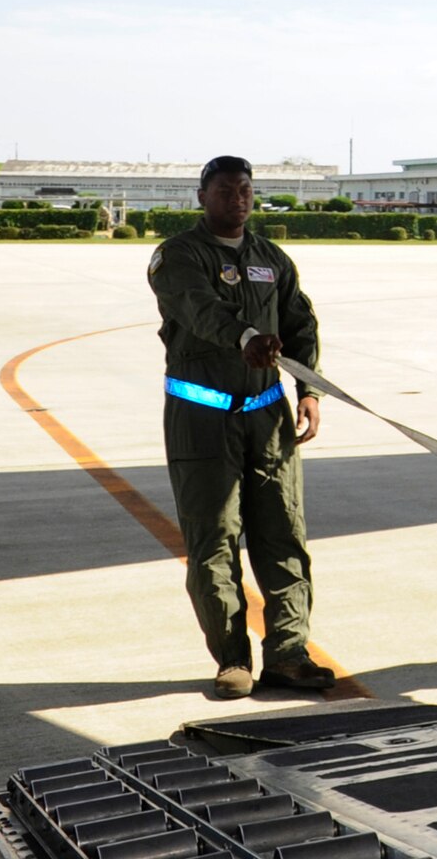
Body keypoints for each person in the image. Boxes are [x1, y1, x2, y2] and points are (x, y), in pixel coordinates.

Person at [148, 155, 334, 698]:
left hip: (267, 417)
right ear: (202, 197)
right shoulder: (177, 256)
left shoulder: (270, 258)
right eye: (226, 189)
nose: (239, 198)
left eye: (246, 189)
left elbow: (300, 323)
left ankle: (288, 655)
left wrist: (310, 391)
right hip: (202, 419)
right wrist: (245, 337)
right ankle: (233, 660)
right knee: (214, 541)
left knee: (284, 536)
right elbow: (197, 307)